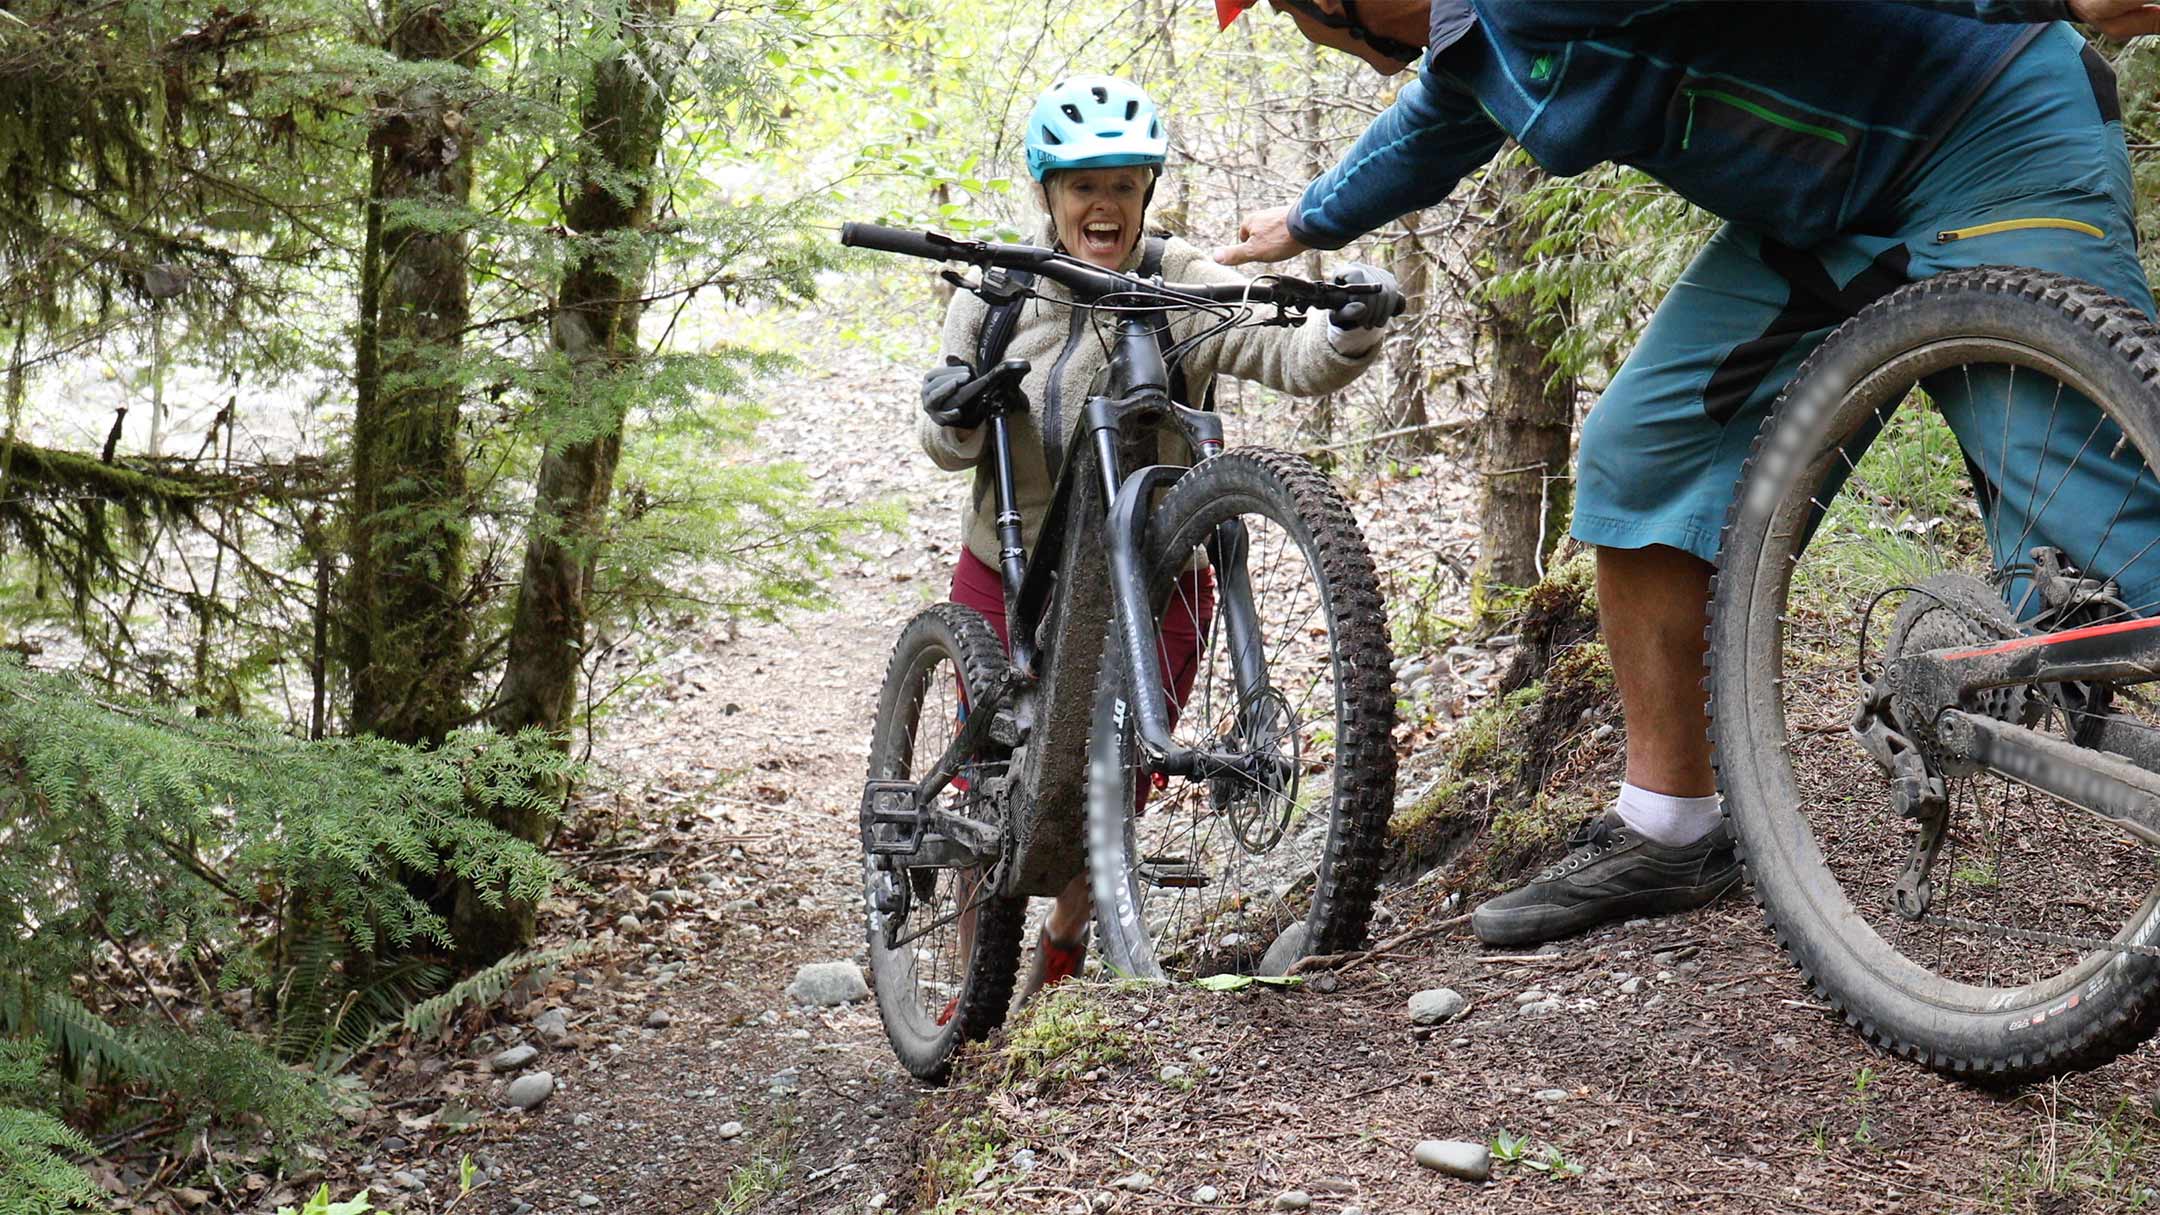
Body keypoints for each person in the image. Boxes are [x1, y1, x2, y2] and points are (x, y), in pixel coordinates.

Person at [1214, 0, 2160, 947]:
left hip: (1987, 135)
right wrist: (1303, 220)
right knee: (1644, 453)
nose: (1303, 31)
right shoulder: (1476, 41)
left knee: (2108, 537)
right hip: (1822, 211)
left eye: (1294, 9)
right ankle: (1671, 828)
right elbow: (1432, 128)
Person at [917, 74, 1396, 1003]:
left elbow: (1286, 351)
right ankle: (968, 994)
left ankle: (1060, 954)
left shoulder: (1183, 283)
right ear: (1050, 193)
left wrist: (1349, 329)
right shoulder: (997, 294)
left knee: (1121, 777)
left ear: (1147, 191)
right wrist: (955, 411)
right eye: (1083, 186)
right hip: (1006, 568)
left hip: (1154, 572)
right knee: (989, 785)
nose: (1104, 205)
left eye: (1124, 185)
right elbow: (943, 442)